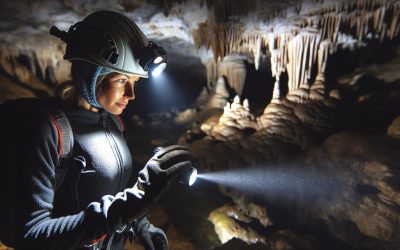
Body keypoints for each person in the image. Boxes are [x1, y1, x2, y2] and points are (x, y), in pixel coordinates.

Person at [1, 10, 196, 250]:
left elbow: (115, 191)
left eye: (134, 82)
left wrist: (141, 224)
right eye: (122, 81)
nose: (132, 95)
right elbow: (31, 233)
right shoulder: (48, 130)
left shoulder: (114, 123)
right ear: (93, 75)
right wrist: (133, 203)